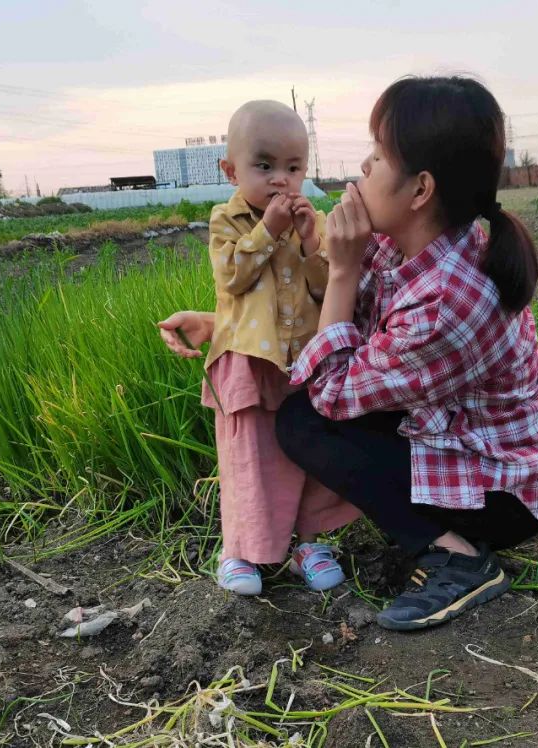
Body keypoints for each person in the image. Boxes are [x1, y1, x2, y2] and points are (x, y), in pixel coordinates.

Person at [160, 76, 538, 631]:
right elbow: (338, 324)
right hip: (450, 432)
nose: (362, 168)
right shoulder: (405, 243)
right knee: (315, 418)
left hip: (501, 494)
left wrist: (343, 269)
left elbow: (330, 391)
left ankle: (458, 559)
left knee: (305, 422)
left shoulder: (447, 301)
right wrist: (219, 324)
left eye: (377, 155)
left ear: (420, 190)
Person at [189, 100, 360, 597]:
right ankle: (240, 551)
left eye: (293, 168)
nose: (281, 180)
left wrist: (309, 242)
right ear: (231, 171)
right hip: (248, 361)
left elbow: (327, 288)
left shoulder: (313, 222)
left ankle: (309, 544)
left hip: (302, 364)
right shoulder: (228, 221)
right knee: (249, 456)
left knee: (308, 452)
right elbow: (232, 277)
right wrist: (270, 231)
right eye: (264, 166)